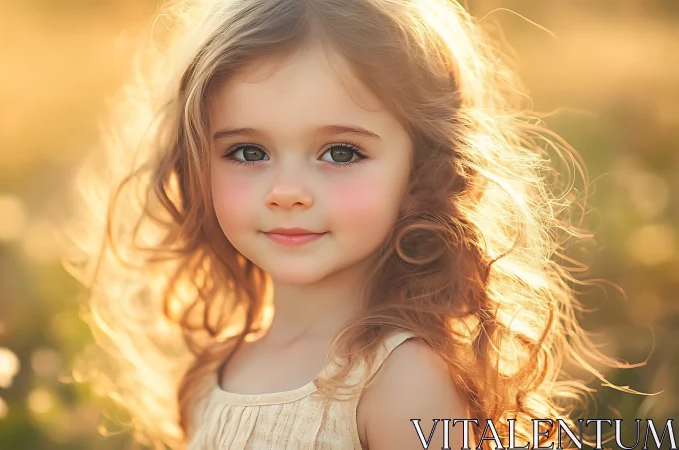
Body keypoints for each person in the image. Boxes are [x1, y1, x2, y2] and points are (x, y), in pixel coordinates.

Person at [61, 0, 640, 448]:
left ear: (421, 173)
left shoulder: (400, 380)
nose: (287, 192)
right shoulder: (212, 373)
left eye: (340, 153)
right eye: (247, 152)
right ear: (197, 164)